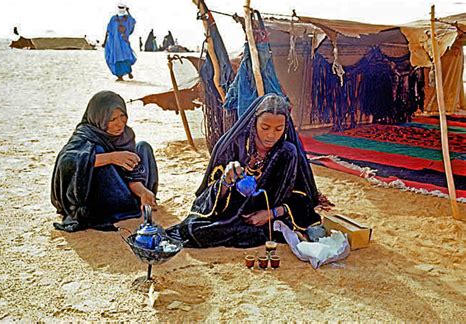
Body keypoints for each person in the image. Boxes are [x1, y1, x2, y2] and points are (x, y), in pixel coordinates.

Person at [166, 94, 320, 248]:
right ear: (254, 122)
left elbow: (301, 196)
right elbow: (208, 195)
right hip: (230, 214)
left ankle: (271, 226)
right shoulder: (233, 145)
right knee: (193, 230)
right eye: (265, 128)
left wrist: (270, 214)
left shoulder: (287, 152)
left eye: (278, 129)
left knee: (270, 228)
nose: (271, 135)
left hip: (268, 215)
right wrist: (226, 181)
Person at [51, 91, 158, 232]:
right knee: (97, 151)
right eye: (112, 119)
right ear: (99, 119)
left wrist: (143, 192)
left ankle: (144, 200)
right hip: (102, 202)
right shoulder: (85, 135)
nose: (120, 124)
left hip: (126, 195)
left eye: (122, 116)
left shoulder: (126, 135)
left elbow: (131, 174)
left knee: (143, 147)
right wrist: (111, 157)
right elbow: (67, 161)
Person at [102, 2, 137, 81]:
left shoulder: (127, 18)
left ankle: (128, 72)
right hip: (113, 43)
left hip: (123, 42)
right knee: (117, 58)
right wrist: (104, 42)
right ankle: (120, 76)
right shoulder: (113, 19)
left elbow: (132, 22)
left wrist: (128, 12)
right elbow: (108, 30)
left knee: (125, 57)